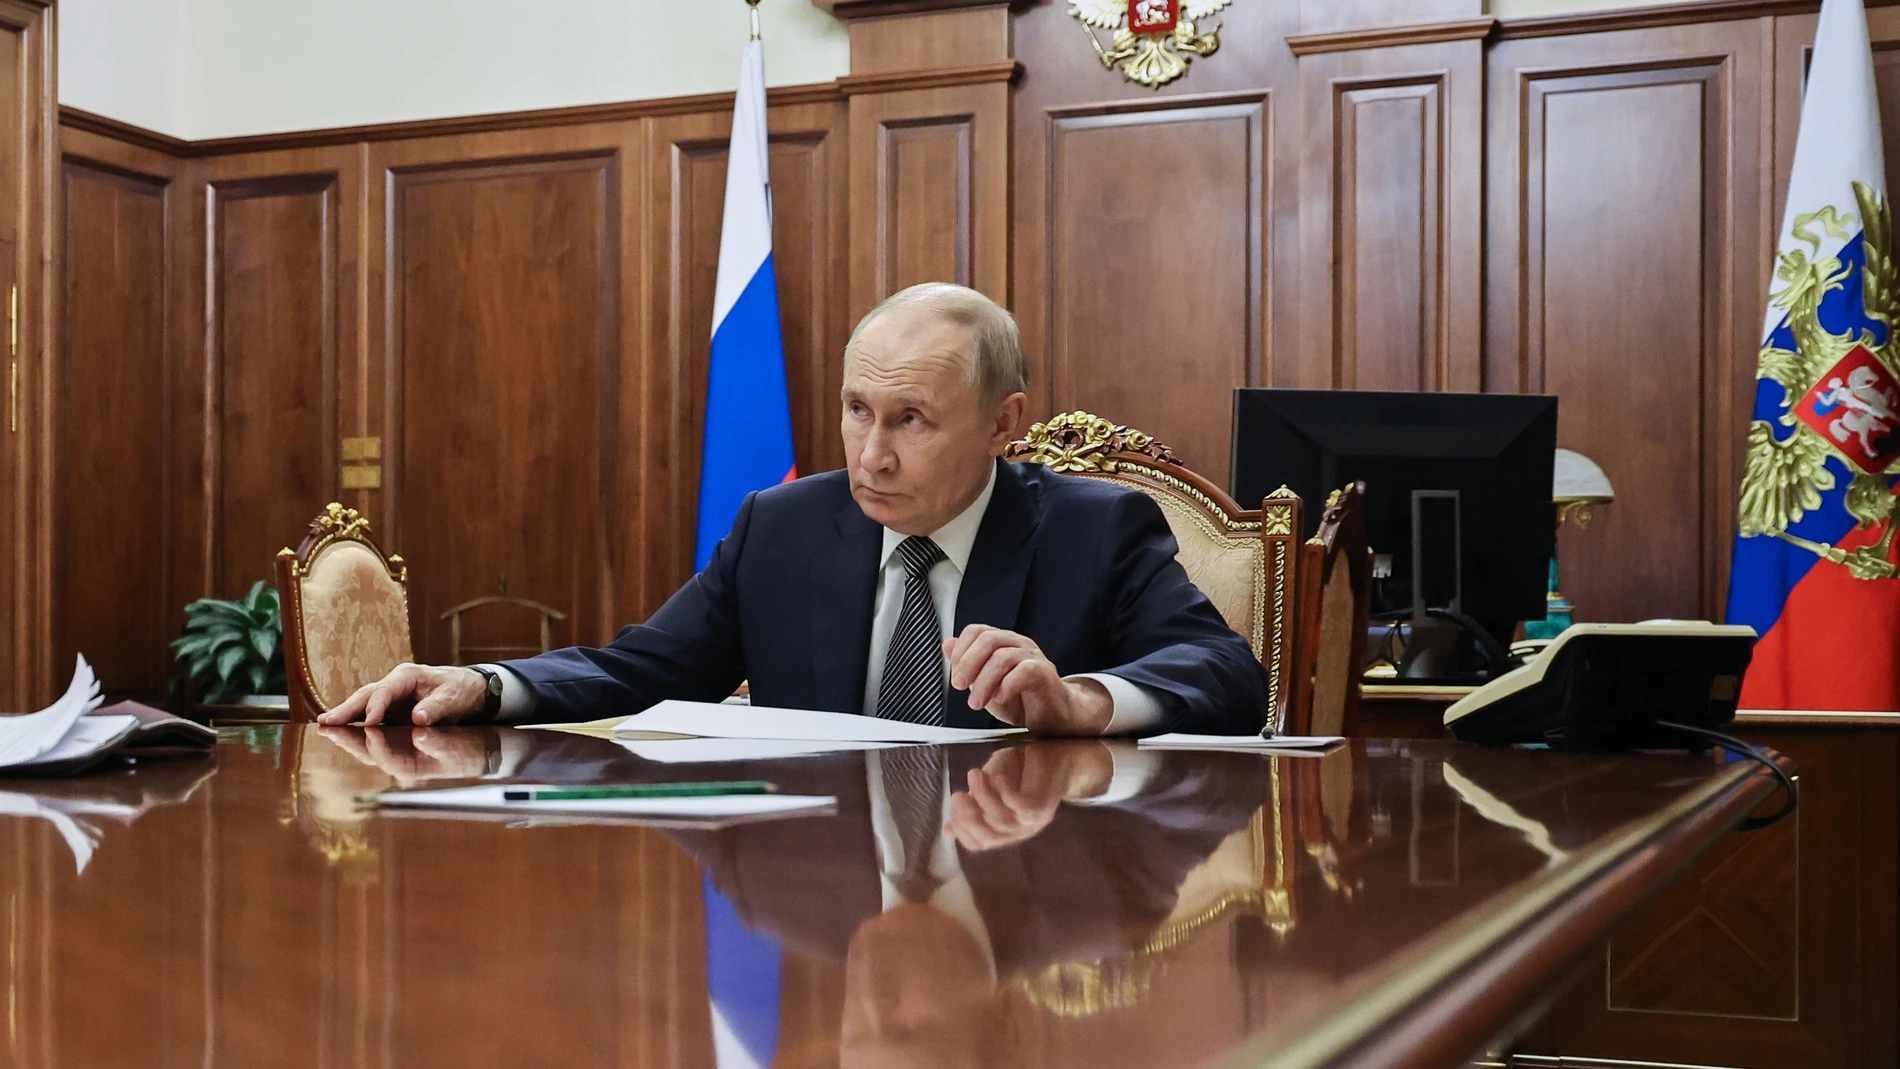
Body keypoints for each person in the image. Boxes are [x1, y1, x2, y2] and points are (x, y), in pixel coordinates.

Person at [320, 282, 1266, 735]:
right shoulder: (784, 524)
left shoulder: (1095, 528)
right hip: (823, 875)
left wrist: (1080, 700)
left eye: (912, 420)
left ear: (1003, 423)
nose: (870, 454)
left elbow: (1227, 673)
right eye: (857, 409)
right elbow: (643, 665)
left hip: (1017, 880)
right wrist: (488, 685)